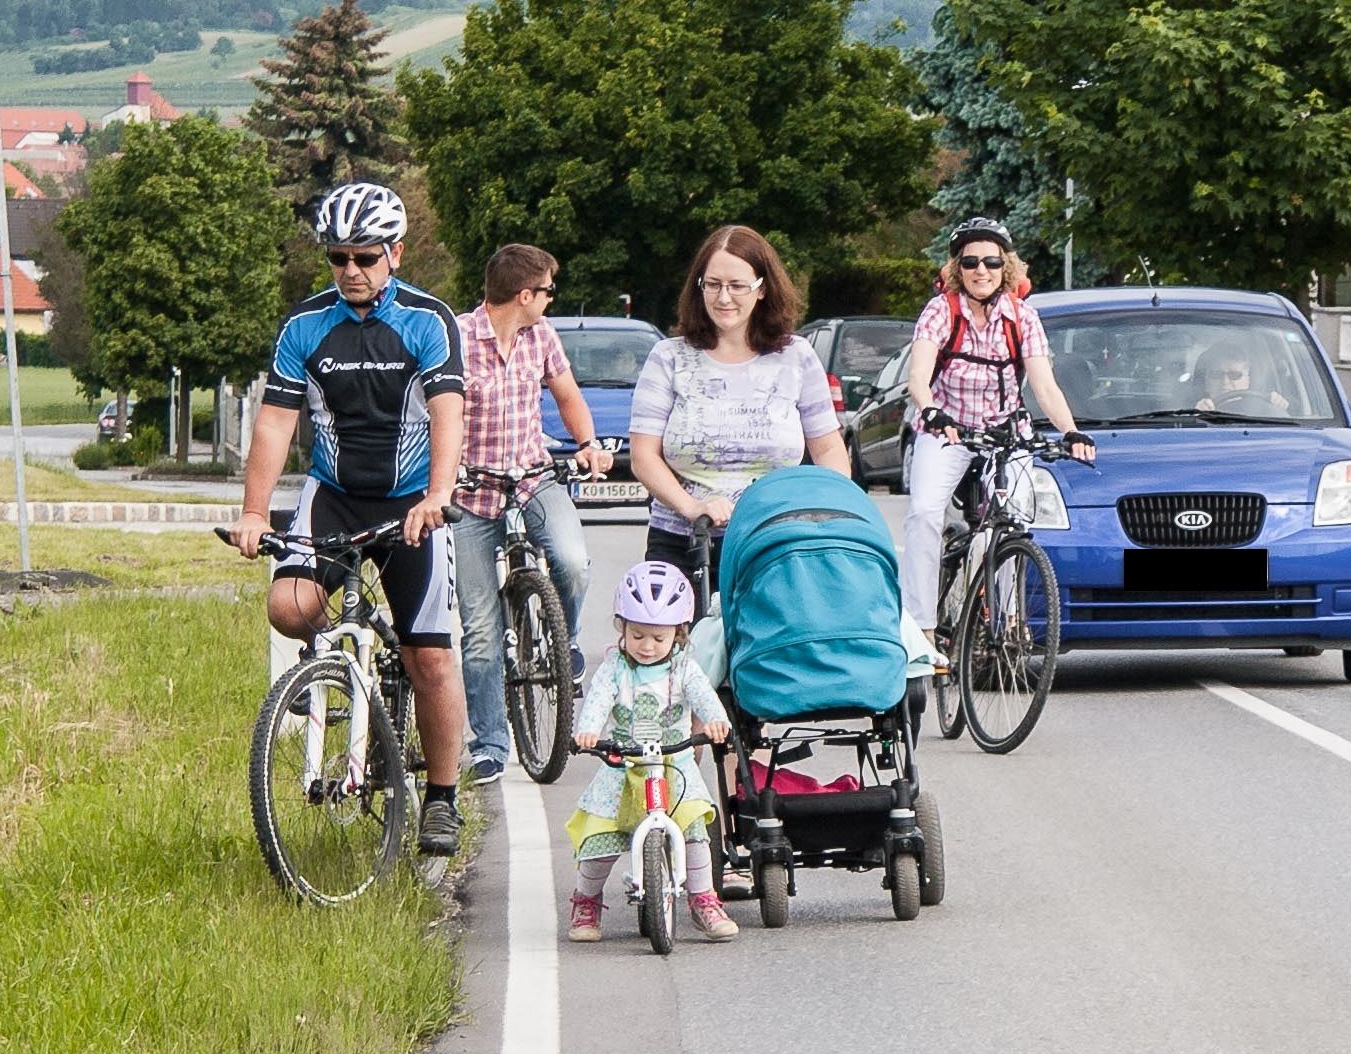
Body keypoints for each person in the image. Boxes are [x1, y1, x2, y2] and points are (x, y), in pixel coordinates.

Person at [227, 182, 474, 858]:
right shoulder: (305, 325)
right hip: (334, 493)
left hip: (411, 501)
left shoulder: (428, 320)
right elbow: (275, 423)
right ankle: (332, 665)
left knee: (430, 657)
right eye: (338, 258)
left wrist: (438, 494)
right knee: (288, 607)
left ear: (396, 253)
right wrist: (254, 512)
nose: (351, 270)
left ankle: (443, 799)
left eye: (365, 257)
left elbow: (448, 413)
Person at [450, 241, 613, 786]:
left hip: (532, 479)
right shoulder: (455, 339)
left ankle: (562, 639)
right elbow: (436, 414)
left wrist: (587, 444)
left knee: (572, 562)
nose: (550, 299)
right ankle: (491, 744)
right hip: (472, 495)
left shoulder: (541, 335)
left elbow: (566, 395)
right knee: (480, 631)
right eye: (547, 291)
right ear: (524, 294)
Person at [625, 225, 850, 587]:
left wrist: (831, 509)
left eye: (737, 286)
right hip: (684, 543)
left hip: (774, 544)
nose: (724, 297)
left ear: (762, 288)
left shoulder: (797, 356)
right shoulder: (668, 357)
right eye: (713, 285)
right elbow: (643, 456)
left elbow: (827, 448)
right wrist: (692, 508)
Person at [899, 215, 1091, 615]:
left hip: (1005, 434)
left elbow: (1044, 386)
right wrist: (932, 411)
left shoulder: (1023, 318)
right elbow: (918, 377)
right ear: (957, 269)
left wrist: (1071, 432)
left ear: (1006, 267)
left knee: (1015, 516)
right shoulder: (941, 311)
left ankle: (1008, 619)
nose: (981, 271)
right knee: (924, 514)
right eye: (970, 262)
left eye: (991, 262)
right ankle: (922, 625)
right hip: (947, 431)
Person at [565, 559, 736, 943]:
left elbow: (704, 697)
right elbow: (598, 699)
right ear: (622, 628)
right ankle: (586, 901)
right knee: (599, 837)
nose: (646, 646)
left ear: (679, 634)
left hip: (674, 764)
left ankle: (703, 899)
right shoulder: (615, 668)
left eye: (658, 638)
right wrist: (588, 730)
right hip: (622, 764)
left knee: (694, 830)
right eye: (637, 635)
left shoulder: (684, 668)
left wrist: (715, 721)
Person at [1190, 339, 1296, 420]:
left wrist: (1279, 407)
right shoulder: (1187, 409)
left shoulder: (1265, 409)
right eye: (1216, 374)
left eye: (1234, 375)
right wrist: (1197, 418)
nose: (1225, 382)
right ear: (1206, 381)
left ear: (1248, 380)